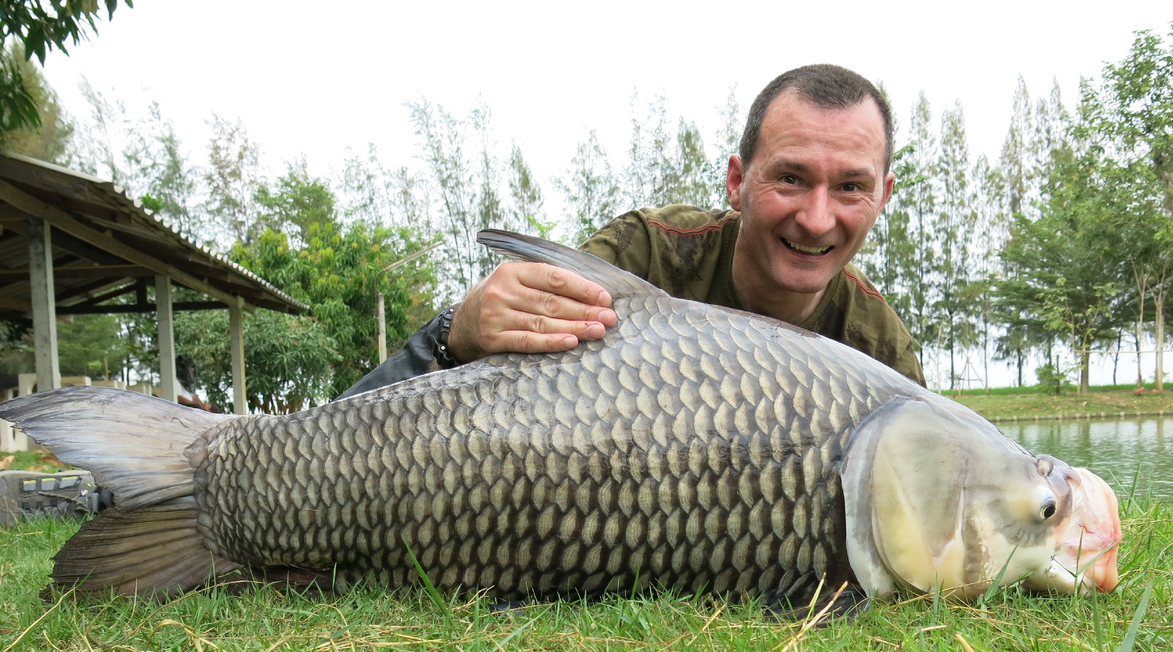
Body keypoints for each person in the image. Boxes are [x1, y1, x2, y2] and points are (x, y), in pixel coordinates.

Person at [339, 63, 924, 400]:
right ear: (737, 182)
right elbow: (502, 392)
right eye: (791, 178)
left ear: (883, 196)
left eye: (850, 186)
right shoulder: (645, 255)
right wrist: (458, 333)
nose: (817, 218)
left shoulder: (879, 349)